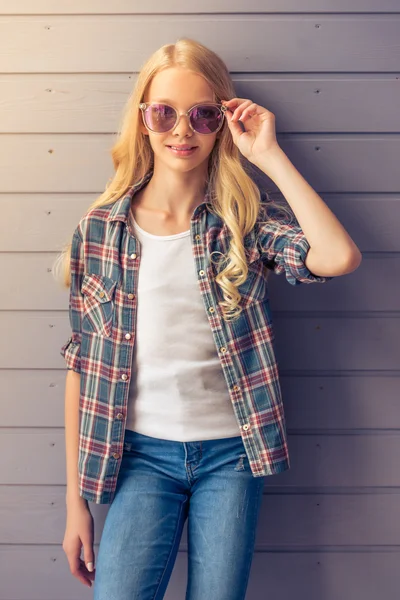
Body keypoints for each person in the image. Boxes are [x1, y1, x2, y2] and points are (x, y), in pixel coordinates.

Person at [54, 37, 362, 600]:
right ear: (142, 119)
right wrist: (76, 504)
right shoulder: (98, 231)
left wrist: (267, 155)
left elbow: (338, 257)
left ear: (222, 122)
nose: (181, 131)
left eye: (202, 115)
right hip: (140, 458)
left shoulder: (242, 221)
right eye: (164, 112)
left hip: (231, 457)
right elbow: (81, 367)